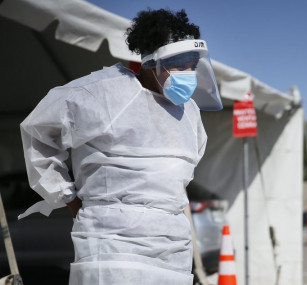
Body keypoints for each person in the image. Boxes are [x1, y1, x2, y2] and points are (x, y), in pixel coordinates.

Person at [19, 8, 222, 285]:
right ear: (152, 62)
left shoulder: (189, 113)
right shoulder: (99, 93)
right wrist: (67, 197)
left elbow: (181, 172)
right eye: (179, 65)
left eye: (192, 66)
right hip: (112, 249)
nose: (188, 74)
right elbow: (38, 132)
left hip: (174, 252)